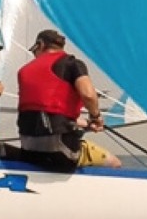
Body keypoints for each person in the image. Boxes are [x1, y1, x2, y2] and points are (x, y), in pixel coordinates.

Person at [17, 29, 122, 172]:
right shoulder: (72, 64)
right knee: (114, 163)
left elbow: (43, 110)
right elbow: (88, 95)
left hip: (29, 150)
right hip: (61, 152)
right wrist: (96, 117)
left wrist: (85, 123)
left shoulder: (23, 71)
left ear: (40, 45)